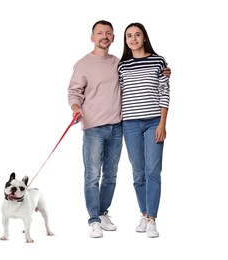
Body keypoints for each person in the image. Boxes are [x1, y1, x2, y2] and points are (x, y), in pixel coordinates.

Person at [68, 20, 171, 238]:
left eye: (108, 33)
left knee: (117, 175)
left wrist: (165, 72)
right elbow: (74, 92)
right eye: (99, 33)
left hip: (121, 126)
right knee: (96, 175)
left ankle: (119, 214)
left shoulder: (122, 63)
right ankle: (95, 220)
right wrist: (76, 108)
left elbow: (156, 84)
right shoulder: (89, 64)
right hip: (102, 127)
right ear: (92, 37)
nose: (104, 36)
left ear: (113, 38)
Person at [118, 22, 170, 238]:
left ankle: (152, 219)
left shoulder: (158, 61)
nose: (133, 38)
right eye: (129, 35)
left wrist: (162, 124)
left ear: (144, 37)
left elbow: (164, 92)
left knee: (152, 171)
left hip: (153, 122)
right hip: (129, 124)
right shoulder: (122, 66)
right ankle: (143, 213)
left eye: (137, 34)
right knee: (138, 172)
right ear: (126, 40)